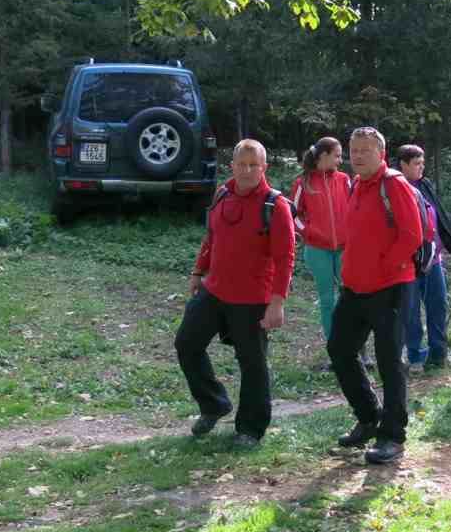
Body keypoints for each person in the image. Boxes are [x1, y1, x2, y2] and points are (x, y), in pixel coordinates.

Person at [176, 139, 297, 448]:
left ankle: (250, 429)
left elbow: (285, 258)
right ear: (232, 166)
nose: (247, 170)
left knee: (252, 364)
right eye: (241, 164)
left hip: (253, 298)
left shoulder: (276, 205)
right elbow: (211, 237)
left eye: (253, 165)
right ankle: (214, 404)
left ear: (264, 167)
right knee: (187, 343)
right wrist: (198, 271)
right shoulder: (222, 194)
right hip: (214, 290)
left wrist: (277, 303)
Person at [327, 126, 424, 465]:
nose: (357, 156)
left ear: (381, 154)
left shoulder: (393, 184)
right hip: (355, 288)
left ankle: (392, 435)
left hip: (390, 288)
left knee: (389, 361)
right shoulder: (356, 184)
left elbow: (412, 235)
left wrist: (383, 267)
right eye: (353, 150)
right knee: (340, 349)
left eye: (365, 150)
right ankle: (369, 417)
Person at [398, 144, 451, 372]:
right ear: (403, 165)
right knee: (411, 309)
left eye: (422, 163)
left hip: (433, 259)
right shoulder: (397, 188)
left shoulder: (425, 185)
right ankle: (414, 355)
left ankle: (438, 353)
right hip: (409, 261)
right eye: (417, 163)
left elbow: (437, 215)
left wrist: (446, 242)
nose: (421, 167)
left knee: (438, 305)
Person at [289, 136, 352, 346]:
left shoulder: (344, 179)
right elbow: (293, 215)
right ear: (323, 155)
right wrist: (309, 232)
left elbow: (354, 208)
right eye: (337, 156)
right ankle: (335, 346)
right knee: (327, 299)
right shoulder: (302, 182)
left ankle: (355, 345)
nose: (340, 160)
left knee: (350, 297)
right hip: (317, 250)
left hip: (344, 248)